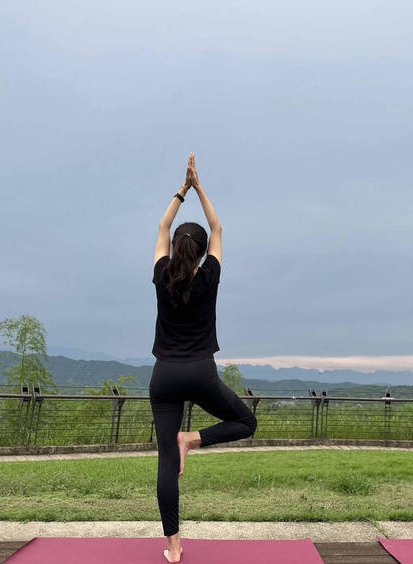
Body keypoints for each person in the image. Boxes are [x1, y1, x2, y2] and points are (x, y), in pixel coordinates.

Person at [149, 153, 257, 562]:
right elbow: (217, 226)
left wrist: (181, 190)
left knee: (163, 461)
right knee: (246, 421)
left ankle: (174, 548)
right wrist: (199, 186)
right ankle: (191, 440)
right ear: (199, 254)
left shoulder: (162, 276)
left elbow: (161, 226)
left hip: (164, 377)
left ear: (176, 249)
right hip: (200, 373)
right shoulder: (209, 276)